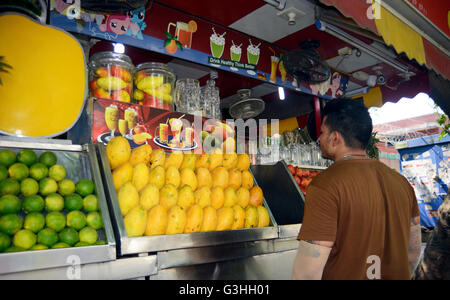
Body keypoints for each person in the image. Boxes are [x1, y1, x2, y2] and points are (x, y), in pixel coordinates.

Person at [292, 98, 421, 280]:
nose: (319, 139)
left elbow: (307, 273)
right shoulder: (402, 184)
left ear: (335, 138)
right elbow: (414, 252)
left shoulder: (325, 185)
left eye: (322, 133)